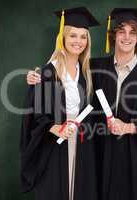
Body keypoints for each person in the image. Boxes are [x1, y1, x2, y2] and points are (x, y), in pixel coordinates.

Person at [26, 7, 137, 200]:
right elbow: (64, 71)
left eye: (133, 32)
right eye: (121, 31)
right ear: (113, 36)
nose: (127, 37)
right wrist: (36, 76)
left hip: (133, 161)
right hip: (96, 158)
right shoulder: (93, 69)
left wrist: (129, 127)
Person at [20, 7, 100, 200]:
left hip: (82, 143)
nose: (78, 41)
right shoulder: (48, 72)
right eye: (73, 35)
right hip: (54, 144)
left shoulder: (87, 72)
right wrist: (55, 128)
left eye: (83, 37)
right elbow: (36, 115)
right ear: (63, 38)